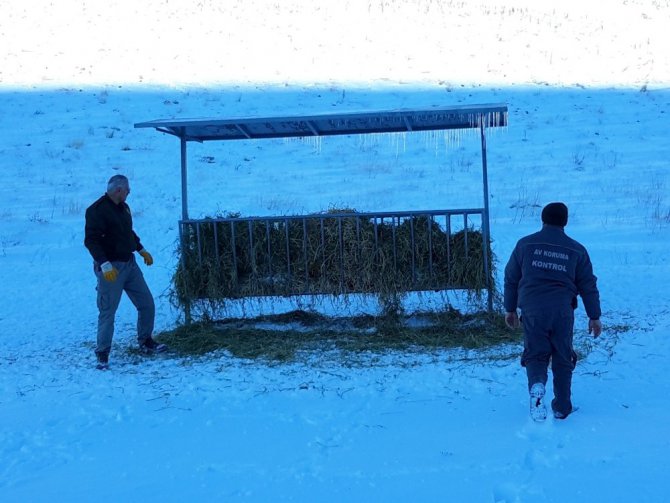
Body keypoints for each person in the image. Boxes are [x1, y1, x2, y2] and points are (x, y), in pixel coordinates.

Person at [504, 202, 602, 421]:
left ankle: (537, 385)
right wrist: (594, 316)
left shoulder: (524, 245)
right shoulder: (577, 249)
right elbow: (588, 285)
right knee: (562, 355)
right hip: (562, 311)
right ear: (565, 222)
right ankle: (562, 406)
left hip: (531, 309)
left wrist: (510, 309)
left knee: (536, 353)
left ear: (543, 219)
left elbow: (511, 278)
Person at [84, 175, 166, 369]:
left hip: (130, 265)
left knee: (146, 303)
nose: (129, 192)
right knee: (108, 311)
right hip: (111, 269)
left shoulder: (124, 208)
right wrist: (104, 264)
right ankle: (102, 352)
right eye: (127, 189)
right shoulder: (96, 211)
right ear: (118, 189)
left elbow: (128, 232)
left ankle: (145, 341)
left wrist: (141, 249)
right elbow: (91, 240)